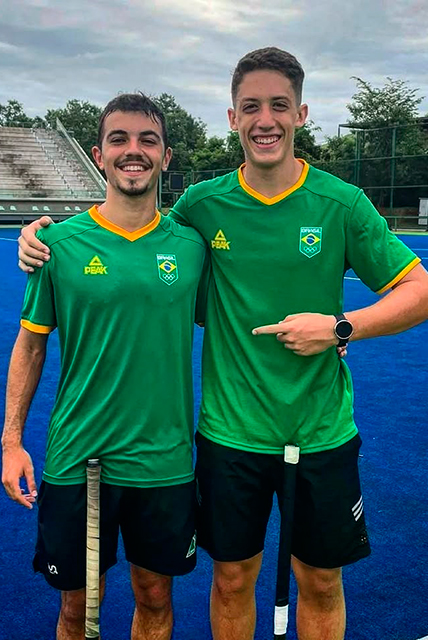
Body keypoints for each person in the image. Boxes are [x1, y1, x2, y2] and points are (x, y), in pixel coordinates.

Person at [16, 47, 428, 640]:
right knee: (231, 580)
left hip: (322, 432)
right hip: (228, 437)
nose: (266, 119)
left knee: (321, 582)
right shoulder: (200, 207)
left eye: (279, 105)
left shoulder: (342, 204)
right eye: (251, 106)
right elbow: (129, 231)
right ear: (233, 118)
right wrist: (42, 235)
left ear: (301, 114)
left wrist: (341, 328)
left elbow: (419, 289)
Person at [2, 93, 206, 640]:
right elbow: (30, 346)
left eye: (148, 140)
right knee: (76, 608)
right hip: (77, 458)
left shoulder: (191, 245)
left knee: (155, 599)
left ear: (165, 156)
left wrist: (333, 331)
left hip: (163, 461)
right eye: (119, 139)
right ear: (98, 154)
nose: (133, 151)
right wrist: (11, 442)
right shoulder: (56, 245)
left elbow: (237, 316)